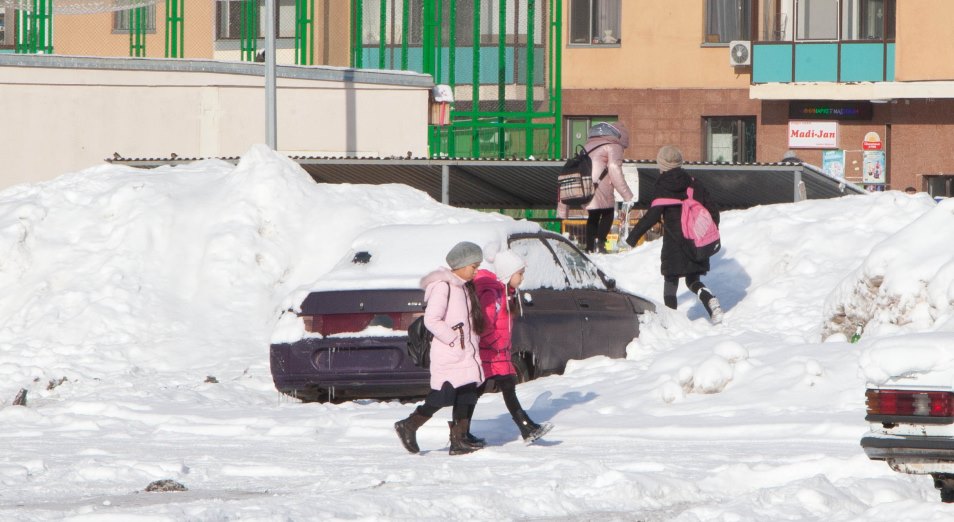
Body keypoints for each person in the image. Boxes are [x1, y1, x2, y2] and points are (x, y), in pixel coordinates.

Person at [394, 241, 486, 455]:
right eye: (474, 266)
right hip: (450, 353)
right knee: (443, 396)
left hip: (465, 352)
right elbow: (432, 320)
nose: (476, 270)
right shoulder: (443, 286)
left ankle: (459, 439)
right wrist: (454, 339)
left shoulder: (462, 288)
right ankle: (409, 425)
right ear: (461, 265)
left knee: (467, 393)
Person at [625, 145, 724, 324]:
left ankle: (671, 321)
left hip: (674, 243)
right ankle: (709, 299)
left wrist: (632, 238)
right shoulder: (694, 183)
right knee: (693, 279)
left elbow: (652, 216)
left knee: (671, 281)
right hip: (696, 241)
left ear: (661, 164)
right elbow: (713, 212)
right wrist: (706, 232)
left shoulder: (663, 186)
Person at [473, 249, 553, 444]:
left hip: (499, 353)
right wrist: (494, 344)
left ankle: (527, 427)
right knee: (473, 392)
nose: (522, 278)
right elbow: (485, 322)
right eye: (520, 274)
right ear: (508, 274)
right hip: (490, 353)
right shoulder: (493, 294)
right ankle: (457, 430)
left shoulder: (506, 293)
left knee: (505, 387)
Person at [558, 122, 635, 253]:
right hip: (601, 185)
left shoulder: (588, 145)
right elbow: (614, 169)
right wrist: (627, 195)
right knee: (608, 213)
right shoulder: (613, 146)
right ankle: (601, 244)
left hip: (586, 184)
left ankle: (589, 247)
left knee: (593, 215)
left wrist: (562, 212)